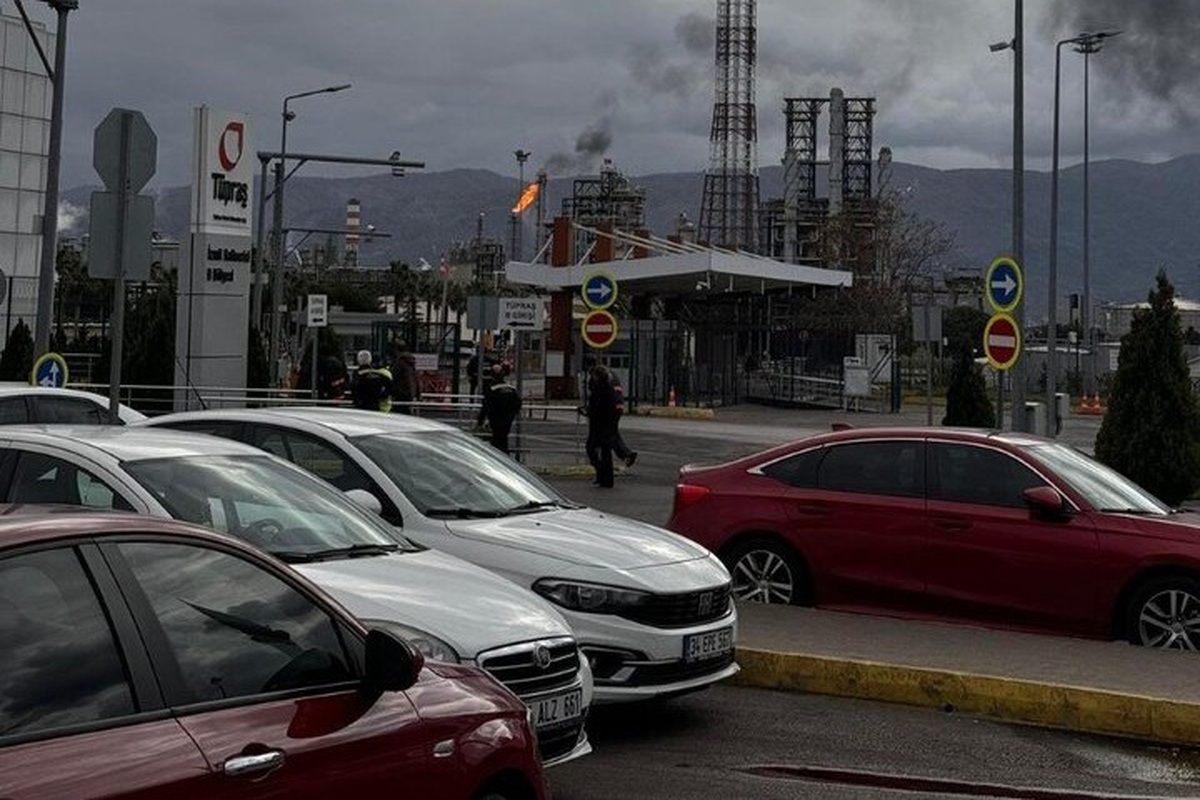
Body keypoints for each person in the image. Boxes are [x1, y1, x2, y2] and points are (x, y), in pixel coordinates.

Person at [579, 364, 620, 488]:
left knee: (592, 449)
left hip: (599, 425)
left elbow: (598, 409)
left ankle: (602, 474)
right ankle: (604, 477)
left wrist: (587, 412)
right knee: (605, 452)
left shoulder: (601, 390)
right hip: (605, 425)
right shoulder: (606, 388)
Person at [479, 363, 522, 454]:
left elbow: (486, 405)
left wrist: (480, 420)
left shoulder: (492, 389)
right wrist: (511, 414)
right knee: (503, 439)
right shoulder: (510, 389)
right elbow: (518, 403)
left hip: (496, 419)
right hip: (507, 419)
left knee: (497, 441)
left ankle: (499, 458)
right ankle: (504, 457)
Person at [610, 375, 638, 468]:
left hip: (611, 408)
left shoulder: (602, 376)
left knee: (609, 434)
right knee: (613, 432)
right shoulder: (613, 376)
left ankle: (625, 454)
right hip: (619, 406)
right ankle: (626, 454)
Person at [390, 344, 420, 414]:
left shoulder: (400, 363)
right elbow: (415, 379)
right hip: (410, 394)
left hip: (401, 395)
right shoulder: (411, 364)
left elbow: (394, 377)